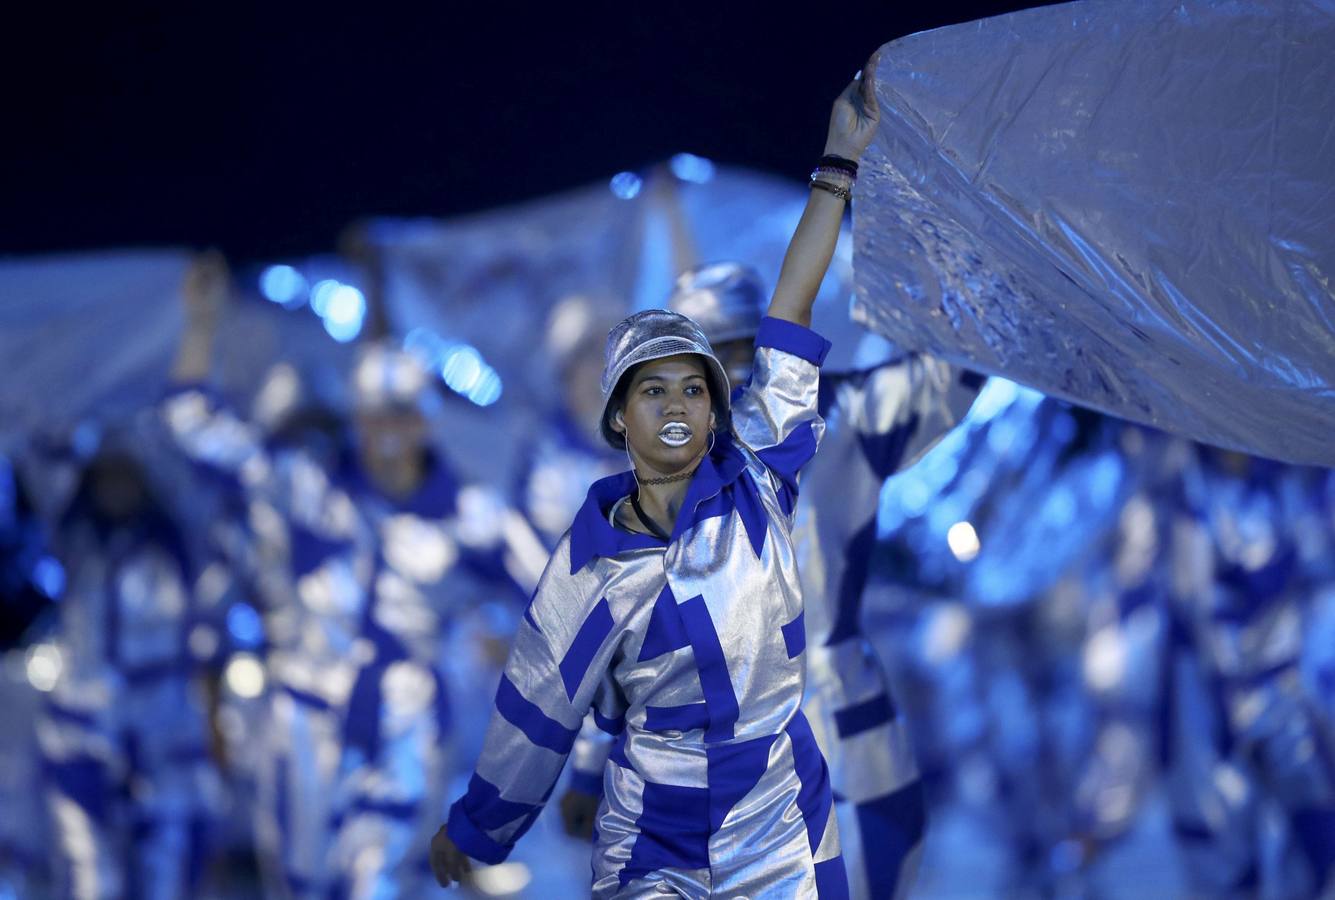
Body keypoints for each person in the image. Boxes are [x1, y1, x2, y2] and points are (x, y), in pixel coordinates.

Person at [430, 59, 880, 897]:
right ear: (615, 420)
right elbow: (538, 706)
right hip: (649, 837)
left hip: (782, 820)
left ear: (719, 411)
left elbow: (792, 304)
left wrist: (836, 165)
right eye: (650, 388)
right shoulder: (589, 557)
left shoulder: (760, 476)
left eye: (693, 386)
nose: (675, 404)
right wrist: (482, 827)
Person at [164, 252, 532, 898]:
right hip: (303, 723)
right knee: (304, 883)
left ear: (426, 420)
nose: (386, 432)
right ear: (355, 419)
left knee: (379, 882)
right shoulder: (309, 486)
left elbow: (564, 597)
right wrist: (201, 324)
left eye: (401, 414)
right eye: (373, 415)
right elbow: (193, 425)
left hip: (405, 725)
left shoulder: (472, 516)